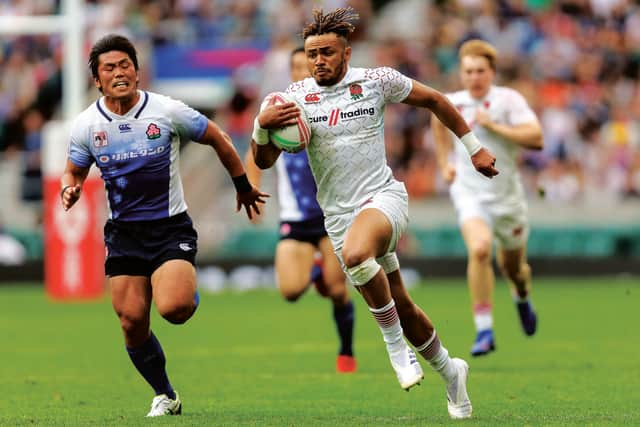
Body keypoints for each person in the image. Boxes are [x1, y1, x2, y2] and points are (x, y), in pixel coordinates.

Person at [250, 8, 499, 419]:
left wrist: (474, 149)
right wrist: (262, 127)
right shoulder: (291, 99)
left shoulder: (375, 81)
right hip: (338, 216)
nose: (318, 61)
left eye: (327, 52)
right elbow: (263, 157)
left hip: (384, 198)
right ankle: (451, 372)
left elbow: (436, 100)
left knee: (354, 254)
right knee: (399, 301)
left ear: (346, 53)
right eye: (312, 54)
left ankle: (395, 348)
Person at [60, 34, 268, 417]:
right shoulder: (87, 125)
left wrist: (242, 185)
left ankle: (185, 288)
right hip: (124, 234)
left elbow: (218, 137)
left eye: (125, 65)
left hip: (169, 227)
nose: (119, 72)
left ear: (137, 72)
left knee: (175, 308)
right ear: (97, 79)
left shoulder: (166, 111)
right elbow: (74, 170)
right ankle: (166, 394)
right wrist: (69, 189)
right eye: (110, 68)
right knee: (131, 321)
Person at [245, 47, 356, 373]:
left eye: (303, 65)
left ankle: (346, 351)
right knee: (291, 291)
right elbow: (254, 153)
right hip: (295, 217)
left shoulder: (332, 106)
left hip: (332, 215)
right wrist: (251, 189)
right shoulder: (276, 111)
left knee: (339, 292)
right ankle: (317, 272)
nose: (300, 71)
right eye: (294, 66)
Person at [431, 39, 543, 357]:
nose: (474, 77)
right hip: (470, 194)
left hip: (507, 198)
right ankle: (484, 329)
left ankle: (522, 295)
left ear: (492, 72)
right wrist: (445, 163)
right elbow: (437, 124)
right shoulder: (453, 102)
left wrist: (496, 127)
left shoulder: (508, 100)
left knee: (513, 269)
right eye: (468, 71)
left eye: (480, 71)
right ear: (461, 73)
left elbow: (536, 138)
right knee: (479, 250)